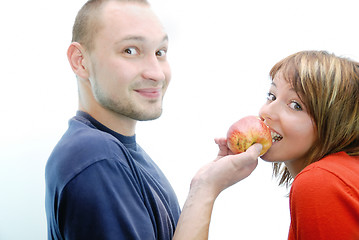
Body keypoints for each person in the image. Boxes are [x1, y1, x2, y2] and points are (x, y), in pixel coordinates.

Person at [45, 0, 262, 239]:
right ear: (80, 61)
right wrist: (207, 190)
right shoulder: (97, 157)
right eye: (130, 50)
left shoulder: (119, 153)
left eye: (160, 52)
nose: (156, 73)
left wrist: (203, 186)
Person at [259, 50, 359, 239]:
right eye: (271, 96)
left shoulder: (321, 181)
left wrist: (206, 188)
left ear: (335, 123)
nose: (266, 112)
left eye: (295, 105)